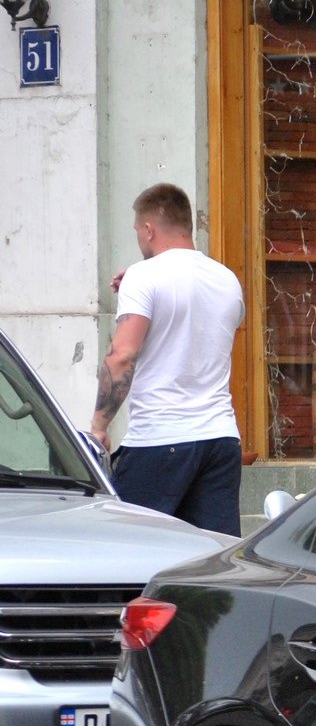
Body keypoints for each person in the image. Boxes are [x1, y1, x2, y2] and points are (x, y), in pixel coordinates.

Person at [92, 183, 246, 535]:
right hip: (221, 440)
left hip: (160, 439)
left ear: (148, 230)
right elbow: (197, 329)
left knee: (126, 553)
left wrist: (99, 427)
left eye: (137, 232)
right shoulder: (228, 280)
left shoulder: (144, 277)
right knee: (208, 563)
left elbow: (122, 356)